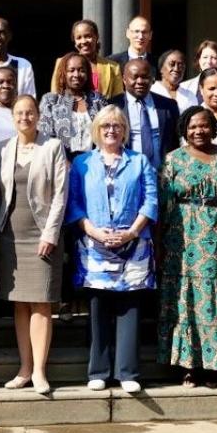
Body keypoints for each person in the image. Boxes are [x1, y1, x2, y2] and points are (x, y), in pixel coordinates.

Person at [158, 106, 217, 387]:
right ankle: (189, 365)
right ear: (184, 130)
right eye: (192, 127)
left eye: (204, 125)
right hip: (183, 240)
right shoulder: (173, 160)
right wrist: (159, 243)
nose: (198, 131)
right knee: (187, 300)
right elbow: (163, 205)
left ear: (213, 127)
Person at [67, 105, 157, 393]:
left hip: (133, 244)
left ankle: (127, 371)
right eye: (105, 126)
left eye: (117, 126)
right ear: (97, 130)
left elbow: (151, 201)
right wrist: (93, 231)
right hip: (94, 244)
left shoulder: (139, 161)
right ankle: (99, 370)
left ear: (124, 131)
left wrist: (131, 232)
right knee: (98, 308)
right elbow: (75, 203)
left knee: (129, 308)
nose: (111, 130)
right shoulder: (82, 163)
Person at [0, 96, 69, 395]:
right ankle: (24, 367)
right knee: (20, 304)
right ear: (13, 117)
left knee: (42, 303)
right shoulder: (3, 149)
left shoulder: (52, 147)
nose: (25, 117)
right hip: (10, 235)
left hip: (42, 235)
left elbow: (61, 194)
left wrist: (51, 233)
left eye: (30, 112)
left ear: (38, 115)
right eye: (19, 113)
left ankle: (39, 371)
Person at [109, 59, 179, 171]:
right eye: (135, 77)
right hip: (125, 174)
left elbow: (176, 143)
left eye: (145, 77)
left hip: (162, 175)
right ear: (124, 79)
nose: (140, 81)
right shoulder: (112, 106)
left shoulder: (168, 105)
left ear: (152, 79)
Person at [38, 51, 109, 159]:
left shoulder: (98, 100)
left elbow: (107, 133)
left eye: (81, 70)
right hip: (61, 163)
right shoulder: (50, 101)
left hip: (94, 162)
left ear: (88, 73)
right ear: (64, 73)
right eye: (71, 70)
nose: (76, 75)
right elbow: (44, 136)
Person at [49, 19, 123, 99]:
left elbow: (118, 101)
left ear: (96, 37)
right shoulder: (62, 62)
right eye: (79, 38)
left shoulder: (113, 67)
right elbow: (55, 96)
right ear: (74, 41)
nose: (83, 41)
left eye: (88, 36)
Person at [180, 40, 217, 106]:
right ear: (199, 60)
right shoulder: (184, 87)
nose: (209, 61)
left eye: (214, 58)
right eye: (205, 57)